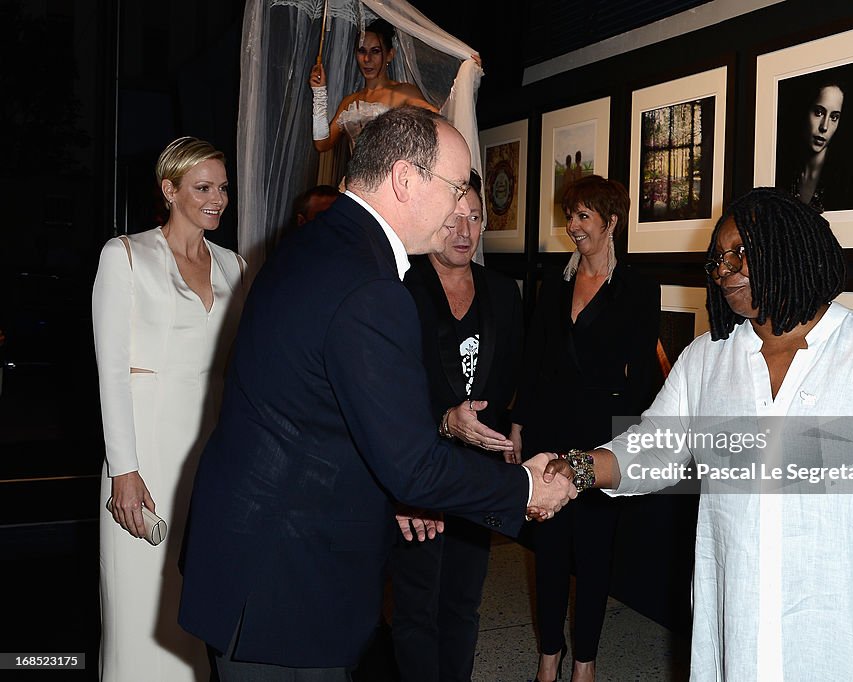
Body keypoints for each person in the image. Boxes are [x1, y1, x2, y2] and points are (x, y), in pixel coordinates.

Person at [177, 106, 575, 680]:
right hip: (284, 587)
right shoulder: (369, 285)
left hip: (251, 557)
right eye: (458, 185)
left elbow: (319, 411)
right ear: (405, 180)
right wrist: (526, 486)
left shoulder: (321, 244)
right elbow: (413, 463)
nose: (464, 205)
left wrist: (395, 490)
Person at [539, 187, 853, 680]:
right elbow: (650, 448)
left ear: (789, 244)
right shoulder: (707, 359)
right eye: (718, 261)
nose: (725, 270)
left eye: (739, 252)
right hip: (744, 625)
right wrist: (573, 469)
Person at [92, 136, 248, 681]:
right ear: (169, 189)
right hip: (146, 455)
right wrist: (124, 471)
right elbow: (111, 372)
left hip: (212, 456)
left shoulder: (234, 266)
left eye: (223, 188)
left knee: (196, 609)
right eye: (203, 188)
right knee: (141, 614)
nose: (218, 199)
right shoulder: (126, 254)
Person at [511, 175, 661, 682]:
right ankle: (549, 654)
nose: (572, 226)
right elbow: (533, 358)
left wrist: (629, 445)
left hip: (601, 441)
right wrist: (518, 423)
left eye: (582, 216)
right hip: (549, 431)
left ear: (611, 222)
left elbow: (640, 374)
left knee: (595, 555)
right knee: (549, 550)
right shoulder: (554, 281)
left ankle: (585, 661)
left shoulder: (638, 288)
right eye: (570, 215)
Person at [390, 169, 524, 682]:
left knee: (466, 599)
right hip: (419, 465)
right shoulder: (401, 286)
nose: (463, 231)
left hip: (479, 472)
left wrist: (510, 429)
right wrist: (439, 424)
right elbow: (387, 387)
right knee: (417, 603)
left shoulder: (502, 291)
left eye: (473, 218)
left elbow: (512, 366)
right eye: (451, 219)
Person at [309, 18, 437, 155]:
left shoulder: (403, 92)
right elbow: (322, 144)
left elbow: (437, 120)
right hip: (353, 176)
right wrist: (319, 92)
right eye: (362, 51)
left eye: (375, 51)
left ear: (390, 55)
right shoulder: (349, 102)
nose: (367, 59)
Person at [777, 79, 853, 213]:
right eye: (819, 112)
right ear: (804, 111)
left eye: (834, 117)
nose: (824, 126)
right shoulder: (782, 172)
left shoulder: (847, 182)